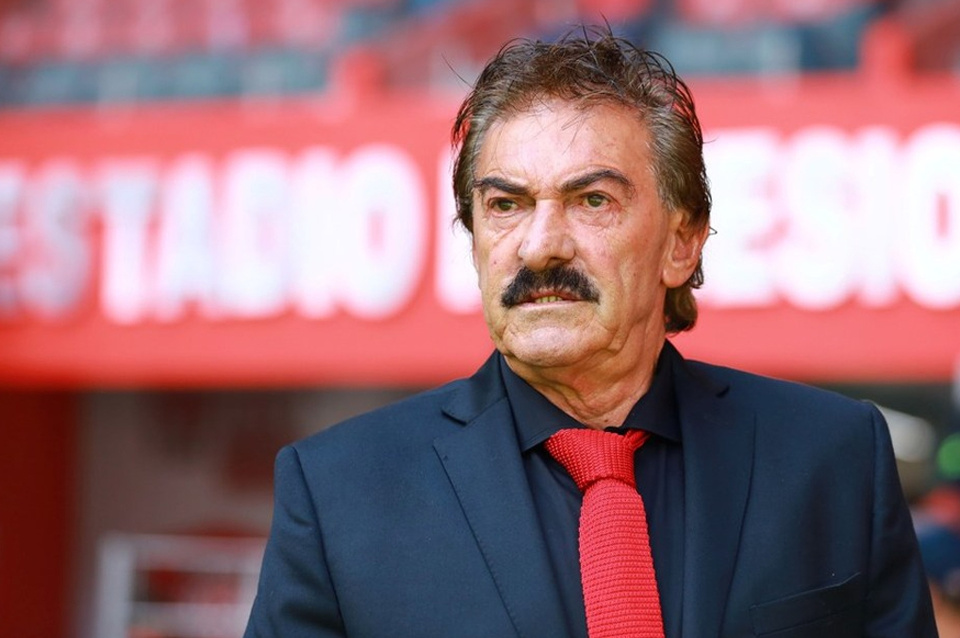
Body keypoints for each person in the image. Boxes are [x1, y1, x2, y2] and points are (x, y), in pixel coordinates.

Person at [244, 27, 936, 637]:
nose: (540, 245)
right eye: (506, 204)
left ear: (682, 243)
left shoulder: (834, 458)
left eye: (592, 199)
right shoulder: (337, 493)